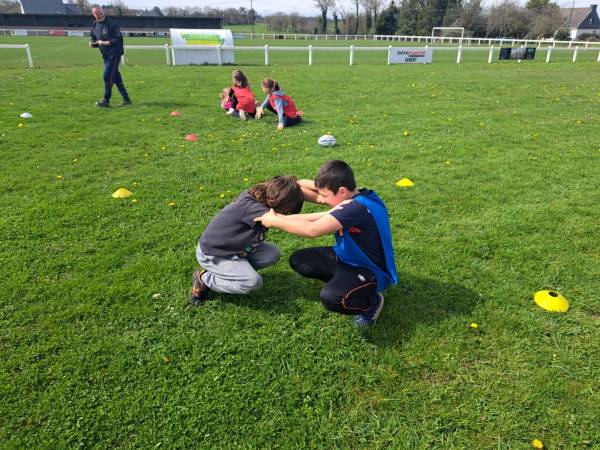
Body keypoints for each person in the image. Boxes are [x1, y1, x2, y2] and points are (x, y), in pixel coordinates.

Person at [254, 160, 398, 327]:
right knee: (300, 260)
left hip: (371, 270)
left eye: (325, 195)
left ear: (342, 191)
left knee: (333, 299)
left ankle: (371, 303)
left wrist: (275, 221)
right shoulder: (361, 195)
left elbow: (312, 230)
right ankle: (345, 282)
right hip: (344, 256)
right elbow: (316, 195)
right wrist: (292, 184)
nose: (321, 199)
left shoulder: (354, 209)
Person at [190, 176, 304, 305]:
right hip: (214, 254)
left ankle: (233, 272)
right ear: (279, 202)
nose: (287, 213)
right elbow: (293, 223)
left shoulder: (261, 194)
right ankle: (205, 279)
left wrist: (330, 212)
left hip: (234, 250)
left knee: (272, 253)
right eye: (287, 210)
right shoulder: (252, 208)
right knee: (252, 282)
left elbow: (294, 189)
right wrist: (326, 217)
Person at [89, 4, 131, 108]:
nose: (99, 15)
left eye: (100, 12)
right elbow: (94, 38)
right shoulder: (95, 25)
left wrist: (106, 42)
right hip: (105, 55)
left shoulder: (112, 24)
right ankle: (126, 99)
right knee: (116, 77)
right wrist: (92, 44)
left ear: (103, 11)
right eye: (96, 14)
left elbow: (118, 39)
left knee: (107, 75)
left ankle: (106, 100)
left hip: (114, 53)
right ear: (93, 14)